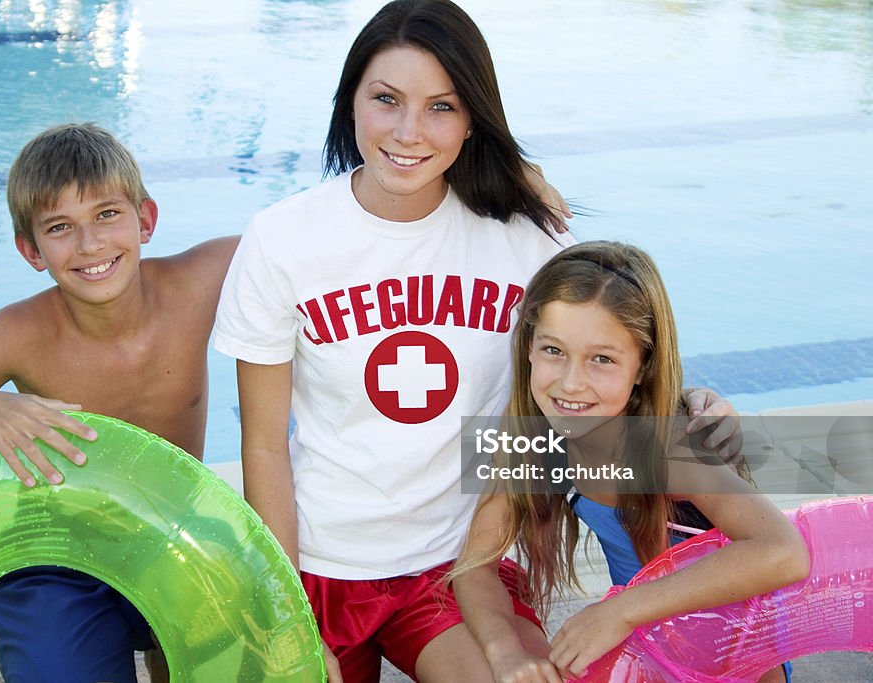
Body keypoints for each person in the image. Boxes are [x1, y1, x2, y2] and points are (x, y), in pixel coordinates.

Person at [212, 2, 736, 681]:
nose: (409, 131)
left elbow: (606, 350)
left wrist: (686, 398)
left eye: (442, 107)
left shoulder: (525, 239)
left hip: (456, 563)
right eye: (386, 100)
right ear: (350, 103)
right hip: (319, 561)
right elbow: (262, 444)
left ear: (473, 118)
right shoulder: (283, 238)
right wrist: (285, 611)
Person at [0, 123, 238, 683]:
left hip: (169, 531)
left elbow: (317, 249)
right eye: (60, 228)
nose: (90, 245)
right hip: (58, 558)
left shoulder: (202, 280)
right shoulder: (16, 334)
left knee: (214, 653)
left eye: (108, 215)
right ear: (31, 249)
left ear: (145, 220)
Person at [451, 241, 810, 683]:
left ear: (643, 366)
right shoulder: (539, 442)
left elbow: (784, 551)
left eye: (602, 359)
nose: (571, 382)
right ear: (527, 346)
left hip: (734, 661)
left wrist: (620, 612)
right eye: (553, 350)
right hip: (646, 652)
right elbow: (476, 564)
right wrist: (505, 652)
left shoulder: (672, 449)